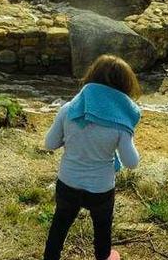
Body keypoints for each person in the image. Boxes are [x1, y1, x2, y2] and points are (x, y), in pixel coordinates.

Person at [43, 55, 142, 260]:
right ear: (124, 87)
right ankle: (103, 256)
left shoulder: (69, 109)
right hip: (101, 189)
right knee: (102, 229)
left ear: (91, 77)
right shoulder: (120, 122)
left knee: (59, 225)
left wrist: (69, 140)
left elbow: (50, 144)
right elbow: (132, 163)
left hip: (68, 182)